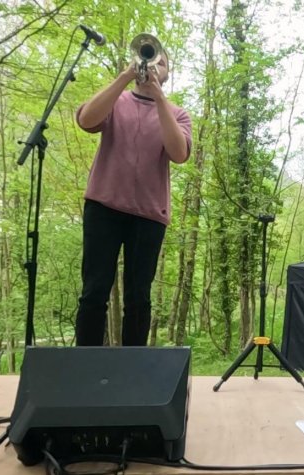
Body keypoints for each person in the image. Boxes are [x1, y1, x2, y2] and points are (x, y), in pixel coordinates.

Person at [74, 45, 191, 346]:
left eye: (162, 64)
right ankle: (85, 367)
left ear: (167, 75)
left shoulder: (177, 113)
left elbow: (179, 153)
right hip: (103, 208)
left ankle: (132, 370)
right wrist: (125, 75)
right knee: (94, 291)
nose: (154, 66)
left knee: (138, 296)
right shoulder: (117, 100)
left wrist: (159, 98)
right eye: (149, 59)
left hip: (149, 216)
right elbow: (87, 120)